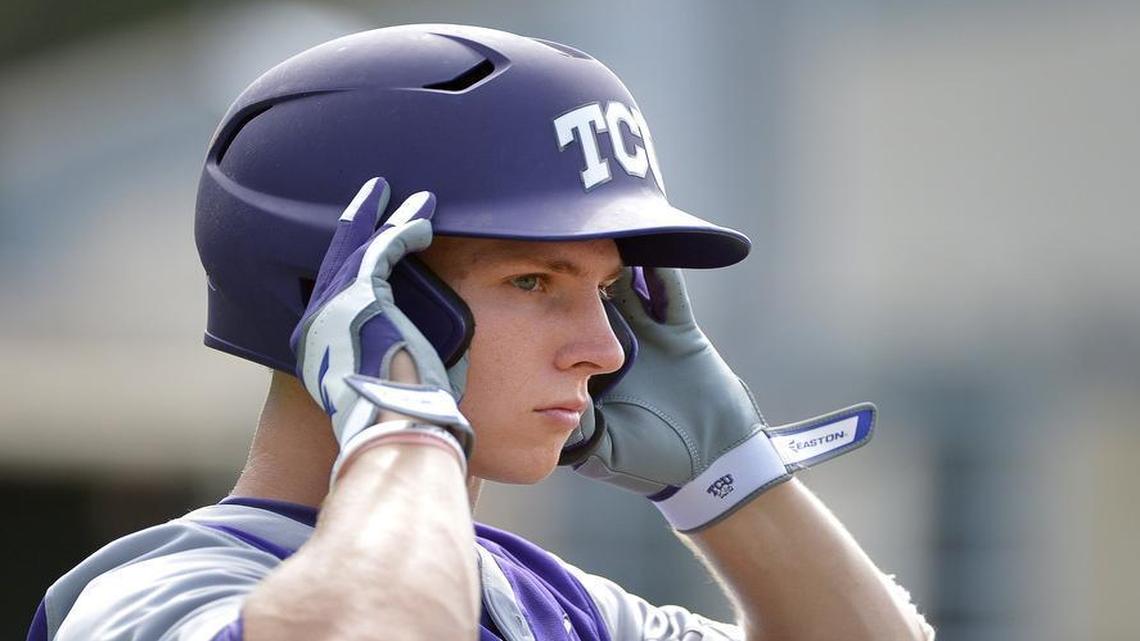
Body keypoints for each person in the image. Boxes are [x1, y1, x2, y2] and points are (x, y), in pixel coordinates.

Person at [27, 24, 935, 641]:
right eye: (533, 279)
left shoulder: (550, 602)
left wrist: (731, 479)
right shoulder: (150, 596)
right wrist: (402, 417)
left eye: (607, 288)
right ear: (351, 296)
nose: (608, 350)